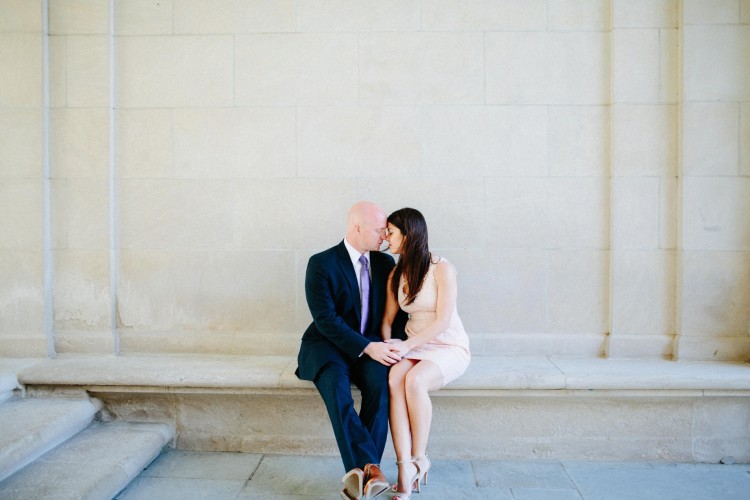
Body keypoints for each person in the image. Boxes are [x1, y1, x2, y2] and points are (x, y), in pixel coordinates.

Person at [296, 201, 404, 500]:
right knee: (338, 391)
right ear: (357, 228)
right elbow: (326, 320)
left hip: (370, 346)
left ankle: (363, 477)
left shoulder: (385, 265)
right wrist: (367, 346)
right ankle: (371, 469)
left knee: (381, 386)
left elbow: (395, 314)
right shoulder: (321, 263)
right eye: (379, 230)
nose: (384, 237)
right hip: (326, 346)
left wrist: (394, 346)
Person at [380, 208, 471, 500]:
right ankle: (403, 466)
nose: (385, 237)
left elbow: (443, 321)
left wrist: (406, 346)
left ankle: (420, 460)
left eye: (390, 232)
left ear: (408, 234)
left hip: (448, 346)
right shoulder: (395, 275)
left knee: (415, 381)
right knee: (395, 377)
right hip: (415, 345)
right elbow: (386, 321)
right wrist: (388, 346)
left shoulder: (442, 268)